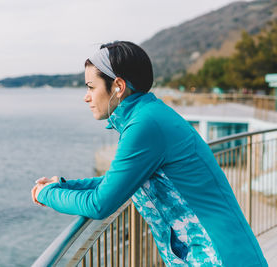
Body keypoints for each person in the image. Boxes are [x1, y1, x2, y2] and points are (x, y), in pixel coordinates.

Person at [31, 41, 267, 266]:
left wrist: (46, 194)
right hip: (215, 253)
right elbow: (117, 182)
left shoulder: (145, 124)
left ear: (118, 87)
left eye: (91, 87)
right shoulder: (148, 115)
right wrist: (63, 185)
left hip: (221, 257)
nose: (87, 96)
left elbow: (99, 204)